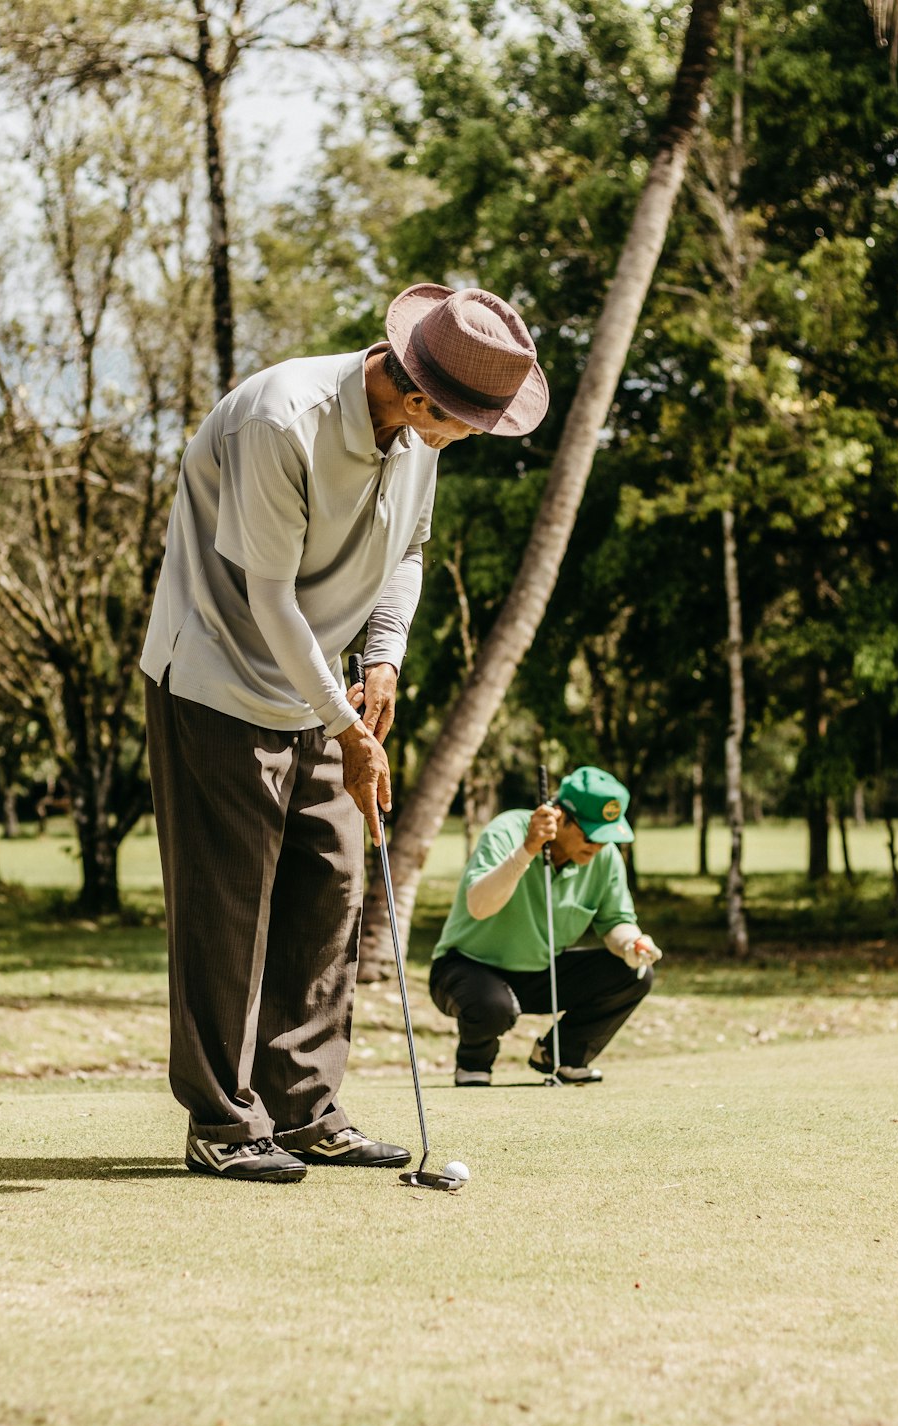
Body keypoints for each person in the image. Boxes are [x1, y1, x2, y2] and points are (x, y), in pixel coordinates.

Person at [140, 283, 550, 1181]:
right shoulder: (282, 420)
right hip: (215, 681)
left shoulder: (416, 434)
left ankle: (303, 1109)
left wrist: (383, 661)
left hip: (319, 689)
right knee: (227, 912)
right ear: (414, 395)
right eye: (467, 425)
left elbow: (406, 551)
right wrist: (348, 728)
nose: (471, 439)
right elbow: (271, 600)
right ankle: (220, 1121)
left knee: (329, 890)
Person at [429, 766, 663, 1086]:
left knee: (634, 974)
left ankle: (560, 1055)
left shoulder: (605, 859)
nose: (597, 847)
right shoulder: (507, 830)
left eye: (606, 837)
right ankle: (473, 1063)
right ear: (558, 815)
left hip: (540, 971)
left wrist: (632, 944)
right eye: (591, 834)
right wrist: (527, 850)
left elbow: (616, 921)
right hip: (466, 968)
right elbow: (480, 906)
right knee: (493, 1005)